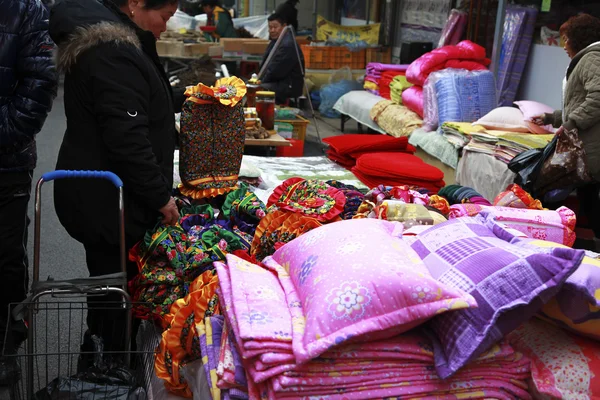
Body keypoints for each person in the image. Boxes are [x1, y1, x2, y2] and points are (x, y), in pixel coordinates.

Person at [49, 0, 181, 352]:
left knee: (111, 288)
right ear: (136, 4)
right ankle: (106, 371)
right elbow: (127, 137)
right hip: (108, 200)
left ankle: (106, 366)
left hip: (104, 194)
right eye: (164, 17)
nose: (164, 27)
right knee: (115, 295)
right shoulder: (114, 51)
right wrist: (160, 197)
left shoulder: (116, 44)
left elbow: (134, 108)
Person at [0, 0, 58, 381]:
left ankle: (6, 345)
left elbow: (40, 79)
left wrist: (6, 132)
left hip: (6, 160)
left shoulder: (24, 8)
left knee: (4, 256)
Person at [533, 13, 600, 246]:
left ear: (578, 38)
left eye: (565, 39)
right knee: (589, 197)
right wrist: (552, 117)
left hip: (589, 148)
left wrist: (570, 124)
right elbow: (580, 102)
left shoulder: (592, 59)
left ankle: (545, 235)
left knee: (551, 187)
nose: (563, 46)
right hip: (587, 148)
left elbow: (598, 97)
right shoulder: (587, 59)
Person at [260, 13, 305, 104]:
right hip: (280, 82)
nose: (272, 30)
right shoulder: (277, 40)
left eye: (275, 27)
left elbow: (276, 71)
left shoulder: (287, 45)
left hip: (288, 85)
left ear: (284, 26)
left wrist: (259, 82)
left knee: (256, 89)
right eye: (270, 27)